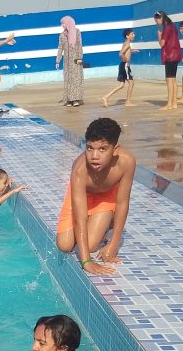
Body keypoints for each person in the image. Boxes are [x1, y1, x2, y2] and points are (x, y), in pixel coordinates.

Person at [56, 117, 136, 275]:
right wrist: (86, 261)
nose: (94, 156)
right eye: (89, 148)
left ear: (115, 149)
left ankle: (108, 220)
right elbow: (79, 217)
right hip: (82, 197)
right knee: (65, 245)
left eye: (102, 149)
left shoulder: (126, 162)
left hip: (106, 196)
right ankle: (101, 221)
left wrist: (113, 244)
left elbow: (122, 202)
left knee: (91, 245)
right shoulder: (80, 171)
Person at [102, 29, 138, 107]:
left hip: (122, 65)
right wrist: (126, 60)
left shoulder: (125, 43)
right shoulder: (127, 44)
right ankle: (127, 102)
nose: (134, 35)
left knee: (121, 85)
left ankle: (106, 97)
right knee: (131, 83)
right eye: (132, 34)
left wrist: (131, 51)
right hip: (125, 65)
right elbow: (121, 54)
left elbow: (124, 51)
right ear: (127, 36)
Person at [55, 16, 84, 107]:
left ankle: (76, 99)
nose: (62, 25)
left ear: (68, 23)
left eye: (63, 23)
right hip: (67, 62)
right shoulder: (62, 35)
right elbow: (60, 48)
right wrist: (57, 61)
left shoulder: (77, 32)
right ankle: (69, 100)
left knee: (76, 79)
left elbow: (79, 46)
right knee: (68, 80)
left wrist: (80, 58)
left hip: (76, 60)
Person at [155, 11, 181, 110]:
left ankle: (169, 104)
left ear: (161, 18)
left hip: (170, 55)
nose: (156, 23)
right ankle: (174, 103)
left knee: (169, 80)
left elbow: (162, 44)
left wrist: (159, 35)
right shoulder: (172, 26)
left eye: (156, 20)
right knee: (173, 79)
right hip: (176, 55)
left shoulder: (167, 28)